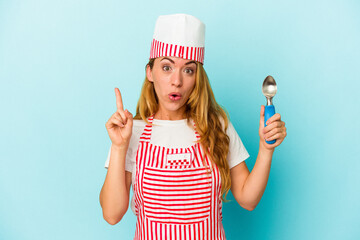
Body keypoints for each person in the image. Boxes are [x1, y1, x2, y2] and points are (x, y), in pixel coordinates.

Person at [99, 13, 287, 239]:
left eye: (188, 70)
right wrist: (119, 147)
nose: (176, 80)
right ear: (150, 72)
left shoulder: (216, 125)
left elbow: (248, 200)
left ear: (197, 77)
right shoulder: (131, 133)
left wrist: (266, 149)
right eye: (167, 67)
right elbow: (111, 214)